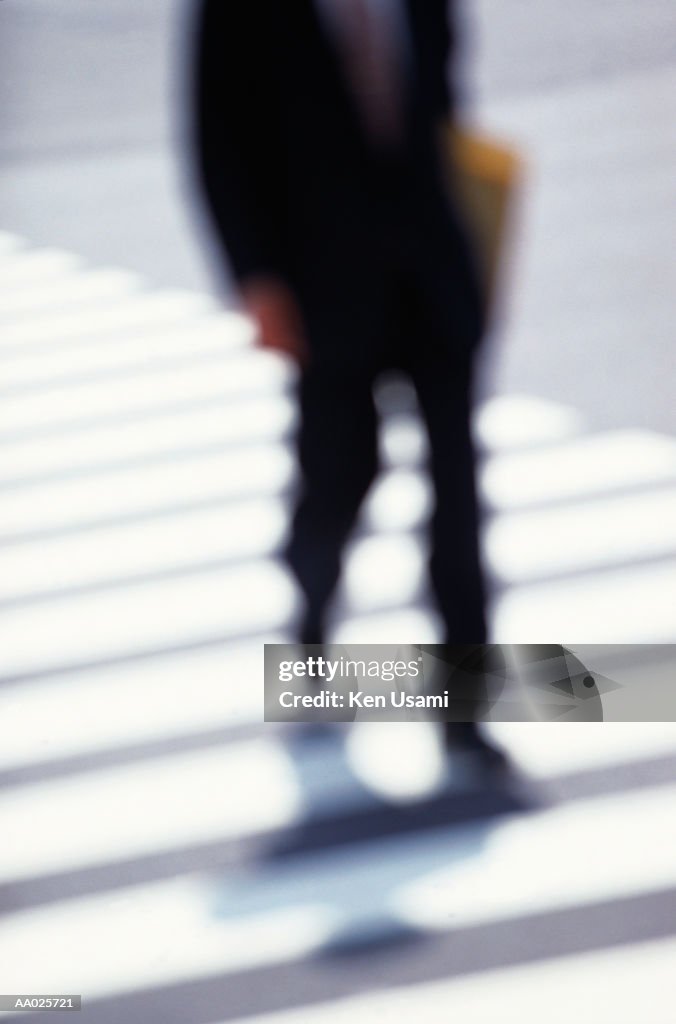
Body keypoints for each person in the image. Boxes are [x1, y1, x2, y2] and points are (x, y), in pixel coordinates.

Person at [193, 0, 505, 767]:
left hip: (434, 273)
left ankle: (463, 707)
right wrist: (256, 280)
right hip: (322, 282)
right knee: (338, 474)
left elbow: (439, 98)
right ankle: (311, 622)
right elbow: (217, 134)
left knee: (458, 488)